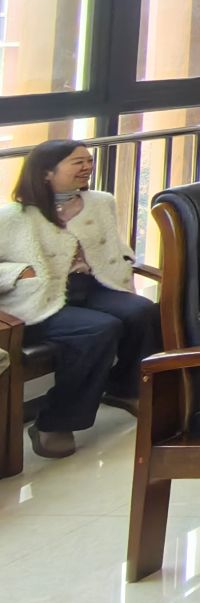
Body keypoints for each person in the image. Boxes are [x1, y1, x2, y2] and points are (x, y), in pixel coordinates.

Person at [1, 141, 161, 459]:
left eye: (89, 161)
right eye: (77, 162)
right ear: (46, 172)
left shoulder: (101, 202)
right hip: (40, 297)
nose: (87, 167)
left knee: (141, 311)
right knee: (99, 329)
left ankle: (124, 388)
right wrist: (21, 272)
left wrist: (121, 260)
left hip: (92, 285)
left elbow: (115, 246)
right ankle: (54, 422)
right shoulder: (12, 217)